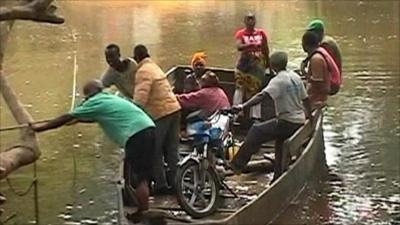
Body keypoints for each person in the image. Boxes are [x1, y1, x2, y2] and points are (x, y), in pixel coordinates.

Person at [30, 80, 155, 217]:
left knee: (138, 178)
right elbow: (97, 117)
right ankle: (142, 206)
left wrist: (40, 128)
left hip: (136, 134)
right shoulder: (109, 97)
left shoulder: (94, 101)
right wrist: (78, 119)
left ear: (88, 96)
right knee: (142, 173)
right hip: (148, 127)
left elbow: (66, 117)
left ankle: (142, 212)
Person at [230, 51, 313, 182]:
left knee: (256, 131)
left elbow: (262, 96)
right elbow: (306, 99)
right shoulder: (295, 77)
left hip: (287, 122)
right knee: (279, 144)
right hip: (299, 120)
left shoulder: (278, 80)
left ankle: (236, 165)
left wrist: (242, 106)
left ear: (273, 67)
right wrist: (310, 118)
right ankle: (278, 176)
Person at [133, 44, 181, 195]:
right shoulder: (154, 67)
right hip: (174, 109)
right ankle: (176, 183)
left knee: (155, 150)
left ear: (136, 58)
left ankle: (160, 184)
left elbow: (140, 98)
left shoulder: (143, 71)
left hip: (160, 113)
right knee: (172, 150)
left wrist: (132, 114)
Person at [233, 12, 270, 120]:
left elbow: (265, 49)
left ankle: (255, 117)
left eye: (252, 19)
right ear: (244, 21)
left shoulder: (261, 33)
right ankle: (236, 114)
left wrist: (268, 64)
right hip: (243, 65)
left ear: (255, 21)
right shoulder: (241, 33)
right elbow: (239, 46)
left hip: (257, 66)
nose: (250, 21)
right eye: (248, 19)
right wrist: (250, 45)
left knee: (255, 90)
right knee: (239, 88)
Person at [302, 31, 331, 107]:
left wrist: (304, 73)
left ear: (306, 45)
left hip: (316, 100)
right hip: (316, 97)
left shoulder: (316, 59)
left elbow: (318, 82)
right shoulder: (315, 56)